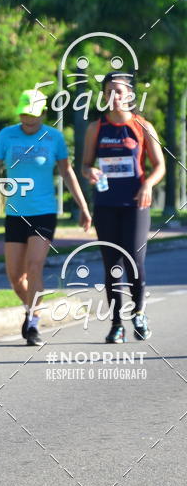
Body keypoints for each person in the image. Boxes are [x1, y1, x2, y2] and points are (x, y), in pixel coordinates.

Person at [0, 88, 91, 346]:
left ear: (43, 113)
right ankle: (33, 307)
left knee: (34, 266)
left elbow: (67, 173)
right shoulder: (6, 135)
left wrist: (83, 207)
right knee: (15, 277)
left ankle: (32, 323)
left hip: (44, 211)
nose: (28, 121)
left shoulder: (54, 138)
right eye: (23, 116)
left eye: (32, 116)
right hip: (15, 212)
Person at [81, 72, 165, 343]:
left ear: (130, 94)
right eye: (109, 92)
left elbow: (160, 165)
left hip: (135, 204)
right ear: (104, 97)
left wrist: (148, 185)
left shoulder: (143, 127)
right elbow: (84, 164)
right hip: (106, 205)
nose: (115, 97)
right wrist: (89, 172)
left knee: (135, 262)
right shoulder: (96, 128)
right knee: (111, 265)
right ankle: (117, 324)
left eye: (120, 91)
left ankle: (138, 313)